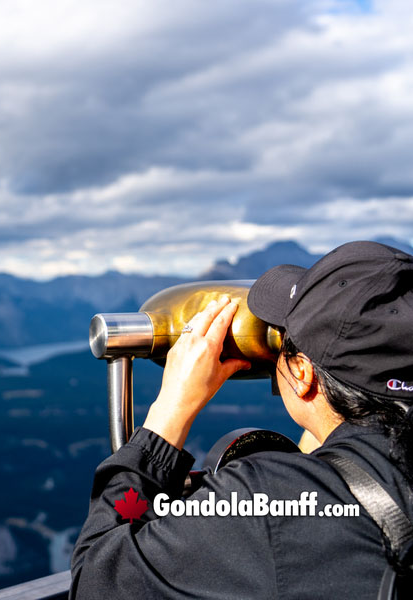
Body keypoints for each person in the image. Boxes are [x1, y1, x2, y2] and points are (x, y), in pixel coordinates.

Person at [69, 241, 413, 599]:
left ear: (301, 371)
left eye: (283, 342)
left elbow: (98, 578)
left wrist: (170, 410)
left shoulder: (271, 502)